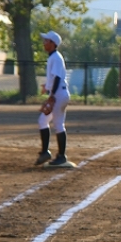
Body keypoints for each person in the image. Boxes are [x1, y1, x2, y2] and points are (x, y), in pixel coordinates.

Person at [35, 30, 71, 166]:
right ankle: (45, 152)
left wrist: (51, 96)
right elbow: (54, 78)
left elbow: (57, 78)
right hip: (58, 93)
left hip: (59, 94)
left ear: (53, 43)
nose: (44, 43)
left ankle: (61, 156)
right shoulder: (53, 57)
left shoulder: (55, 57)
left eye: (46, 41)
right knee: (43, 121)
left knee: (58, 124)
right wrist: (47, 86)